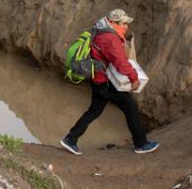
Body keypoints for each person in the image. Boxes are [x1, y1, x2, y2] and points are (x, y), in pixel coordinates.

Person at [61, 9, 159, 155]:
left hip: (98, 79)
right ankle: (141, 144)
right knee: (130, 107)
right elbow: (120, 62)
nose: (126, 26)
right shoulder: (110, 39)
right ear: (112, 22)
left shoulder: (99, 28)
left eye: (127, 23)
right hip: (105, 83)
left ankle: (70, 139)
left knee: (94, 111)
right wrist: (134, 78)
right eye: (123, 23)